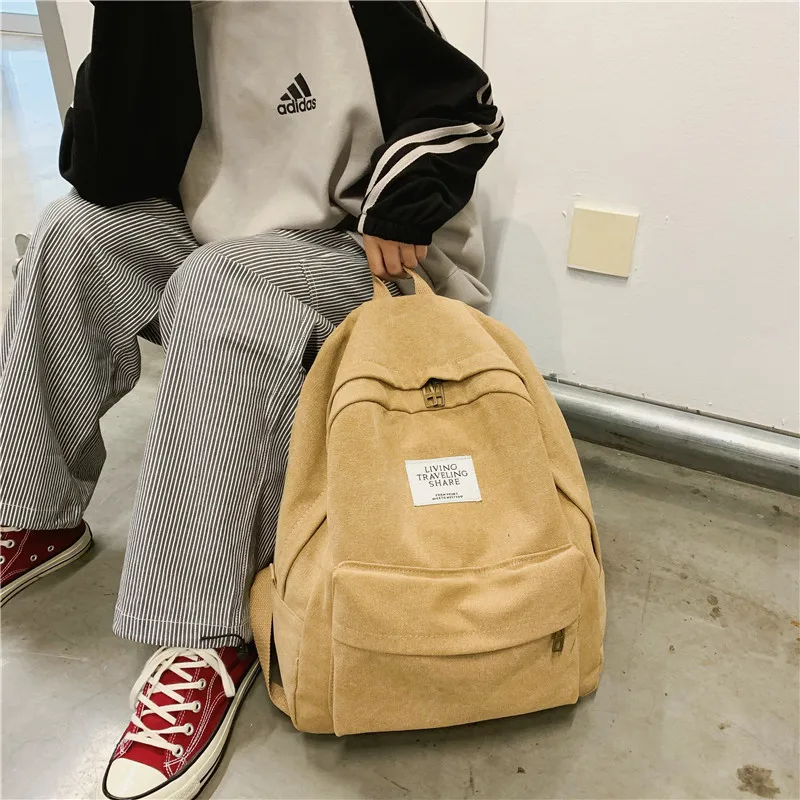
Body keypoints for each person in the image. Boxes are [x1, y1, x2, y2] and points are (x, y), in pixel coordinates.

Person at [0, 1, 503, 797]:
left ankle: (205, 633)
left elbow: (464, 107)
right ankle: (35, 514)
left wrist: (402, 200)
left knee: (218, 283)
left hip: (366, 258)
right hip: (229, 243)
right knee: (74, 231)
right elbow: (104, 173)